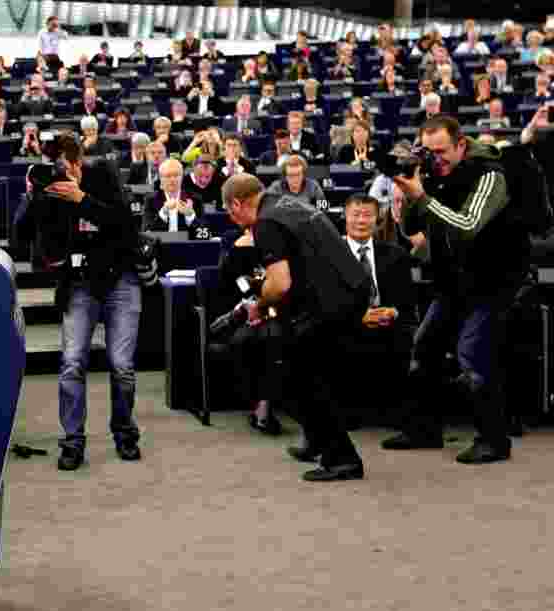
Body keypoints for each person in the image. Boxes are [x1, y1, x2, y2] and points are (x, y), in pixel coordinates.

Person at [384, 115, 521, 464]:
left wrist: (423, 197)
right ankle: (425, 430)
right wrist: (408, 196)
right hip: (452, 280)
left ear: (461, 145)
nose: (435, 159)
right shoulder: (431, 173)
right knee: (424, 348)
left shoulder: (491, 174)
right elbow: (414, 228)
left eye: (441, 151)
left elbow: (467, 225)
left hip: (494, 279)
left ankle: (494, 440)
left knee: (472, 354)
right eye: (428, 152)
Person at [223, 173, 371, 481]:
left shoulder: (265, 223)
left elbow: (279, 283)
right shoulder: (289, 204)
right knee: (298, 368)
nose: (231, 217)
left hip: (331, 301)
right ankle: (316, 441)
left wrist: (259, 306)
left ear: (236, 203)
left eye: (229, 210)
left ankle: (341, 459)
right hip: (352, 290)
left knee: (304, 378)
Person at [15, 133, 141, 470]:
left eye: (62, 167)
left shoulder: (105, 176)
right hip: (79, 284)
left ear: (76, 162)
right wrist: (30, 197)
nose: (58, 175)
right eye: (51, 168)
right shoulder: (48, 193)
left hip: (120, 278)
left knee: (122, 365)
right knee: (72, 362)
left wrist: (82, 198)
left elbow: (127, 227)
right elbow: (19, 235)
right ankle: (72, 441)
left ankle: (125, 433)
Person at [334, 194, 416, 427]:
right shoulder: (331, 254)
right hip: (347, 323)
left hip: (387, 323)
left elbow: (407, 302)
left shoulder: (395, 254)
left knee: (403, 336)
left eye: (368, 215)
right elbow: (328, 301)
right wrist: (358, 316)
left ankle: (395, 412)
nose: (361, 221)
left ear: (377, 219)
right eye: (356, 215)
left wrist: (393, 312)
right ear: (345, 217)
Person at [210, 228, 286, 434]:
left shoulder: (282, 245)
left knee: (272, 334)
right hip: (239, 316)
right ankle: (261, 406)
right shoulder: (236, 246)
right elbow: (226, 288)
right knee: (251, 337)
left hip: (276, 314)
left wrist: (266, 308)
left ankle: (262, 407)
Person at [142, 158, 202, 232]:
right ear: (161, 179)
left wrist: (190, 215)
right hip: (161, 243)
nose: (172, 179)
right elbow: (147, 232)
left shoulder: (195, 198)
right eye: (168, 176)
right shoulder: (151, 199)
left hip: (187, 243)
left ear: (182, 178)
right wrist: (163, 212)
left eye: (176, 175)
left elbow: (204, 235)